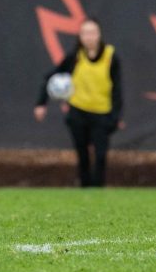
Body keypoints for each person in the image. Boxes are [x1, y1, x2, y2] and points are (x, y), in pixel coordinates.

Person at [35, 17, 124, 188]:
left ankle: (98, 189)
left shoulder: (111, 57)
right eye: (85, 33)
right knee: (82, 154)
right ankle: (84, 188)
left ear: (99, 35)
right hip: (78, 111)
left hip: (101, 112)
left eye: (92, 32)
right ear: (80, 36)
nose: (89, 37)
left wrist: (116, 115)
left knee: (100, 155)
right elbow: (50, 77)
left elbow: (117, 89)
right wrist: (41, 103)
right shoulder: (75, 57)